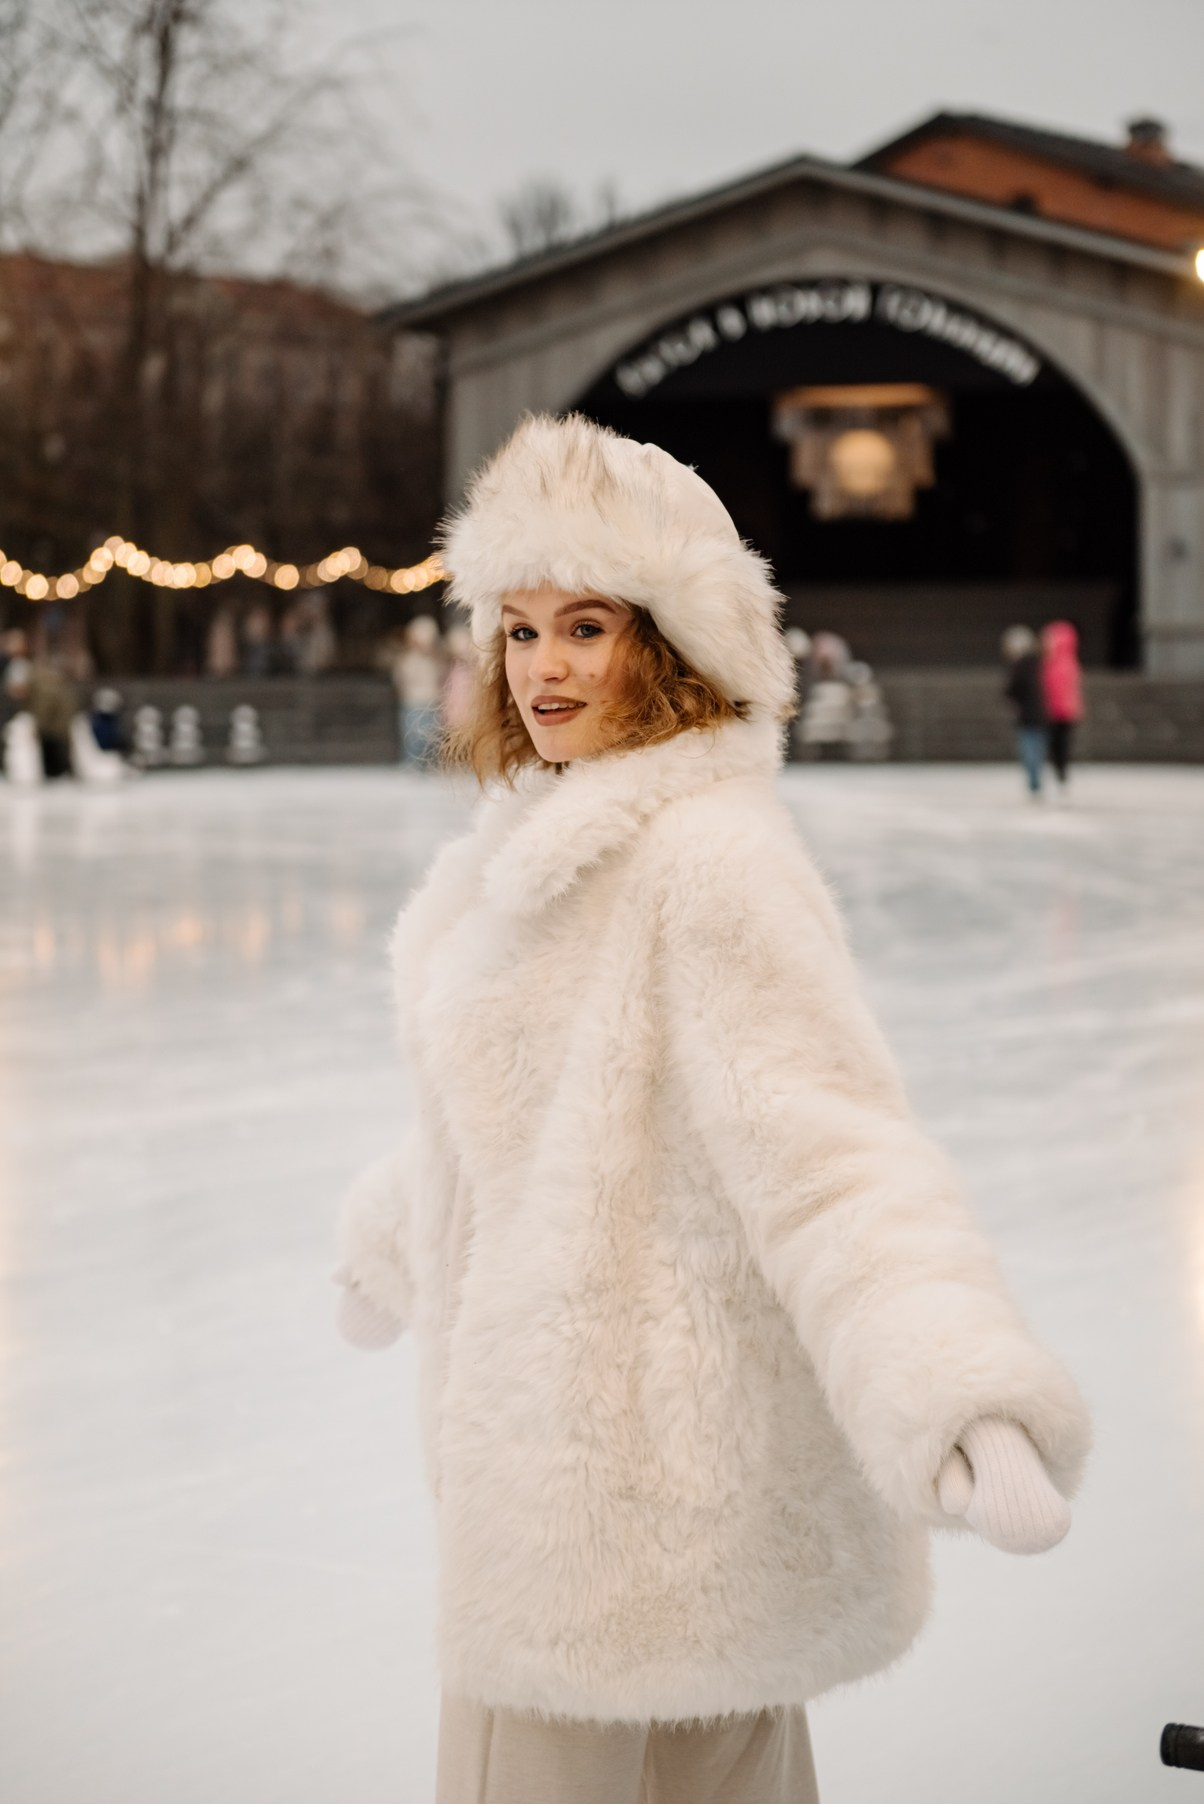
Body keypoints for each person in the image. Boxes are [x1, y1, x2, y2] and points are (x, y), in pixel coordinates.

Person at [333, 415, 1091, 1804]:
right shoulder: (540, 845)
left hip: (599, 1522)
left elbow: (829, 1154)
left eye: (586, 628)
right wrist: (389, 1230)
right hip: (677, 1526)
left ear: (670, 646)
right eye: (518, 630)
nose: (545, 669)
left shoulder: (705, 860)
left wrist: (958, 1386)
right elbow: (533, 1113)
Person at [391, 614, 446, 766]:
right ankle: (412, 763)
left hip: (432, 700)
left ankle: (430, 764)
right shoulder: (407, 659)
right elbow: (401, 679)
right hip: (413, 700)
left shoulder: (436, 659)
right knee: (412, 735)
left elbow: (440, 677)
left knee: (431, 734)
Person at [1001, 625, 1048, 797]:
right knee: (1038, 747)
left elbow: (1012, 688)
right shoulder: (1039, 663)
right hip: (1042, 711)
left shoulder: (1019, 665)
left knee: (1029, 747)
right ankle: (1036, 779)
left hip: (1027, 712)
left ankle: (1033, 780)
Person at [1041, 620, 1083, 794]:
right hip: (1054, 711)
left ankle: (1061, 774)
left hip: (1062, 712)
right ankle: (1059, 774)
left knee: (1060, 744)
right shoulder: (1052, 663)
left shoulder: (1062, 664)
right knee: (1056, 745)